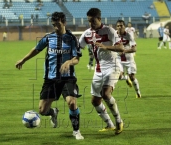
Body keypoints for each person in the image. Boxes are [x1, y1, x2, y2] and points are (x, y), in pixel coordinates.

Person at [15, 12, 84, 140]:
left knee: (72, 103)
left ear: (64, 23)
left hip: (68, 78)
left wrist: (69, 62)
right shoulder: (48, 37)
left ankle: (76, 131)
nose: (55, 27)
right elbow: (36, 49)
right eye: (53, 25)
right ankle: (53, 112)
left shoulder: (72, 39)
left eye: (58, 24)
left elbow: (77, 59)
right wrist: (23, 60)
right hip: (50, 78)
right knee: (42, 110)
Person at [79, 8, 124, 135]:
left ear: (99, 19)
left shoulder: (109, 31)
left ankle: (119, 121)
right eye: (89, 21)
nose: (90, 24)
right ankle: (109, 124)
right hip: (98, 69)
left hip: (112, 66)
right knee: (95, 101)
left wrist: (106, 47)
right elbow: (78, 48)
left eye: (93, 21)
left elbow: (121, 47)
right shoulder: (87, 33)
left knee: (106, 94)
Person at [116, 20, 141, 98]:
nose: (120, 27)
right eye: (118, 26)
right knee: (119, 76)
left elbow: (134, 49)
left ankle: (138, 92)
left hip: (129, 59)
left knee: (132, 77)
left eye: (121, 26)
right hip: (119, 59)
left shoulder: (129, 36)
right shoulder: (113, 35)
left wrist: (124, 51)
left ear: (124, 26)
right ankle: (126, 78)